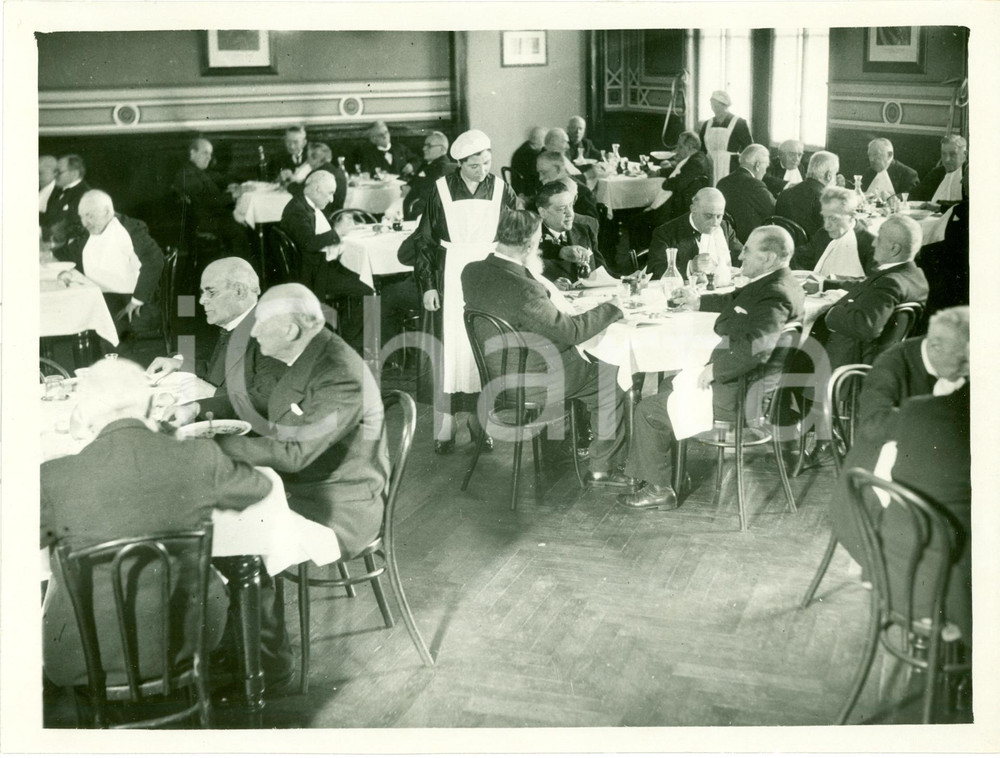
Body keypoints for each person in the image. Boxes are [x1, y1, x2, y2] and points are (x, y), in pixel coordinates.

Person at [40, 358, 273, 689]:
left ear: (83, 414)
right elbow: (257, 487)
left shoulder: (53, 476)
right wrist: (171, 438)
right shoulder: (198, 457)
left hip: (85, 657)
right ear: (151, 405)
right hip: (190, 640)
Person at [619, 225, 805, 509]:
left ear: (768, 258)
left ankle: (659, 489)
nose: (740, 255)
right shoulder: (781, 282)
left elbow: (759, 345)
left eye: (748, 251)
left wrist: (715, 371)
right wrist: (699, 300)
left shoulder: (774, 294)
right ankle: (670, 473)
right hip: (751, 385)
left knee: (647, 410)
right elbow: (740, 301)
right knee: (671, 386)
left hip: (741, 395)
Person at [216, 283, 389, 560]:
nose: (254, 331)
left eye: (260, 322)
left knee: (219, 527)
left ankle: (249, 597)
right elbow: (266, 398)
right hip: (307, 486)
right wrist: (196, 410)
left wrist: (212, 446)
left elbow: (294, 454)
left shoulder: (339, 373)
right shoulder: (312, 351)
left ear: (290, 330)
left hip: (336, 509)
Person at [461, 210, 631, 487]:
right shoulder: (525, 288)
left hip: (497, 374)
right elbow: (571, 332)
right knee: (614, 376)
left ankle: (560, 449)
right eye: (538, 241)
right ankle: (603, 468)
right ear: (529, 245)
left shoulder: (472, 271)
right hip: (533, 382)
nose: (539, 247)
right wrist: (613, 308)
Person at [411, 128, 518, 453]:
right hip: (451, 274)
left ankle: (479, 424)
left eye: (486, 163)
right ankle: (444, 429)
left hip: (490, 274)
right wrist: (428, 285)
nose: (482, 170)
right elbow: (425, 242)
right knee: (451, 352)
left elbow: (515, 234)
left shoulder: (502, 189)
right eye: (474, 166)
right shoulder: (440, 190)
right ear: (459, 164)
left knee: (483, 348)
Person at [146, 257, 286, 424]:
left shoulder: (272, 333)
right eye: (202, 292)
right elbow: (222, 373)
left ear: (239, 291)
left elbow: (267, 403)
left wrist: (211, 394)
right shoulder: (238, 323)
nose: (201, 300)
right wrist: (180, 364)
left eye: (210, 292)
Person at [812, 214, 929, 369]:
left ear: (894, 248)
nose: (873, 243)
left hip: (848, 363)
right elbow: (869, 285)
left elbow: (865, 326)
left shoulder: (890, 283)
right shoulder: (912, 276)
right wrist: (825, 284)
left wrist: (832, 311)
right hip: (882, 358)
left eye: (879, 239)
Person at [279, 170, 372, 352]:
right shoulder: (296, 211)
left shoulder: (304, 204)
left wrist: (339, 228)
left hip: (315, 266)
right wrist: (336, 232)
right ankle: (347, 344)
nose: (331, 200)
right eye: (329, 193)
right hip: (312, 274)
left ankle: (342, 337)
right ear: (316, 188)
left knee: (359, 275)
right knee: (369, 290)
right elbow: (310, 242)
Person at [54, 189, 164, 340]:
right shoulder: (91, 231)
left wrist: (136, 300)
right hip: (106, 298)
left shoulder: (131, 229)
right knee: (73, 316)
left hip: (136, 302)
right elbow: (70, 255)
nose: (85, 223)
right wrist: (66, 271)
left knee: (99, 328)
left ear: (106, 211)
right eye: (82, 217)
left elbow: (155, 260)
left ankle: (112, 360)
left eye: (89, 216)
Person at [627, 130, 712, 251]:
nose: (677, 149)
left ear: (689, 147)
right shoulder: (696, 158)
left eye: (680, 146)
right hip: (677, 205)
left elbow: (677, 182)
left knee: (635, 221)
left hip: (676, 211)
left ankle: (642, 260)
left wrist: (665, 182)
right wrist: (659, 172)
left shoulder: (696, 163)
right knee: (639, 216)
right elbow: (680, 171)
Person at [172, 137, 252, 260]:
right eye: (205, 153)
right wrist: (232, 195)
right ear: (193, 153)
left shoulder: (196, 170)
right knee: (241, 230)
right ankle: (240, 268)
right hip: (204, 221)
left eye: (210, 154)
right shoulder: (186, 174)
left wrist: (230, 187)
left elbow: (217, 181)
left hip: (210, 216)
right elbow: (205, 201)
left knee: (244, 221)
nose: (209, 157)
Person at [647, 187, 742, 281]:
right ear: (693, 209)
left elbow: (741, 257)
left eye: (719, 216)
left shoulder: (724, 227)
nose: (715, 222)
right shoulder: (666, 232)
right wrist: (691, 266)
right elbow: (653, 269)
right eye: (708, 216)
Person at [790, 186, 875, 280]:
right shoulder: (823, 234)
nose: (826, 225)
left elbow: (872, 283)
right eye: (824, 217)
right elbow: (800, 256)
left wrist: (829, 282)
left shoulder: (870, 244)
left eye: (833, 218)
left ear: (852, 216)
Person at [535, 181, 606, 287]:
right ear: (543, 212)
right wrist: (549, 287)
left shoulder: (583, 230)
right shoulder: (531, 238)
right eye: (562, 209)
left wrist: (626, 279)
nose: (570, 213)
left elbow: (601, 270)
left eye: (571, 206)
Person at [716, 144, 776, 243]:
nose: (765, 171)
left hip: (727, 238)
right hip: (751, 241)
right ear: (757, 165)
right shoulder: (755, 185)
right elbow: (774, 209)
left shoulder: (722, 182)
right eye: (766, 166)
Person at [774, 150, 840, 239]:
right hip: (813, 251)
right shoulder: (825, 201)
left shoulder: (784, 194)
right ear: (829, 175)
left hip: (785, 247)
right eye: (835, 174)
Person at [697, 90, 753, 185]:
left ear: (725, 105)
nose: (714, 109)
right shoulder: (707, 124)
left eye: (717, 106)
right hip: (710, 164)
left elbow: (749, 148)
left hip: (730, 166)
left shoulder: (738, 123)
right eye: (712, 106)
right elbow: (701, 148)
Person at [403, 131, 457, 220]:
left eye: (429, 146)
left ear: (442, 150)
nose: (424, 148)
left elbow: (427, 199)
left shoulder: (440, 169)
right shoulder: (428, 165)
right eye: (424, 145)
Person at [42, 154, 91, 248]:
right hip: (52, 245)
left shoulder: (86, 195)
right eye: (54, 171)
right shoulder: (57, 191)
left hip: (70, 251)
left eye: (59, 172)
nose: (55, 175)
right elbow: (49, 217)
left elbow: (77, 229)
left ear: (74, 174)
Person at [286, 142, 348, 214]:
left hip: (322, 217)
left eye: (308, 158)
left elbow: (300, 192)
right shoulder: (337, 171)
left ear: (316, 159)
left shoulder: (318, 173)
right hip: (337, 215)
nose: (307, 162)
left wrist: (289, 184)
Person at [535, 150, 599, 219]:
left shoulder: (582, 192)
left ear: (558, 170)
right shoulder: (546, 188)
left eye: (544, 172)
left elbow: (592, 222)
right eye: (539, 173)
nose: (540, 178)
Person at [910, 134, 967, 206]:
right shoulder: (936, 173)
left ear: (965, 154)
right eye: (944, 154)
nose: (947, 160)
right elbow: (915, 195)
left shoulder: (969, 175)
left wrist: (940, 207)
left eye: (953, 154)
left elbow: (968, 206)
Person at [510, 126, 547, 201]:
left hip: (523, 186)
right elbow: (536, 175)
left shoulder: (528, 146)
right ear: (538, 140)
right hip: (526, 192)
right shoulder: (528, 154)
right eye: (545, 139)